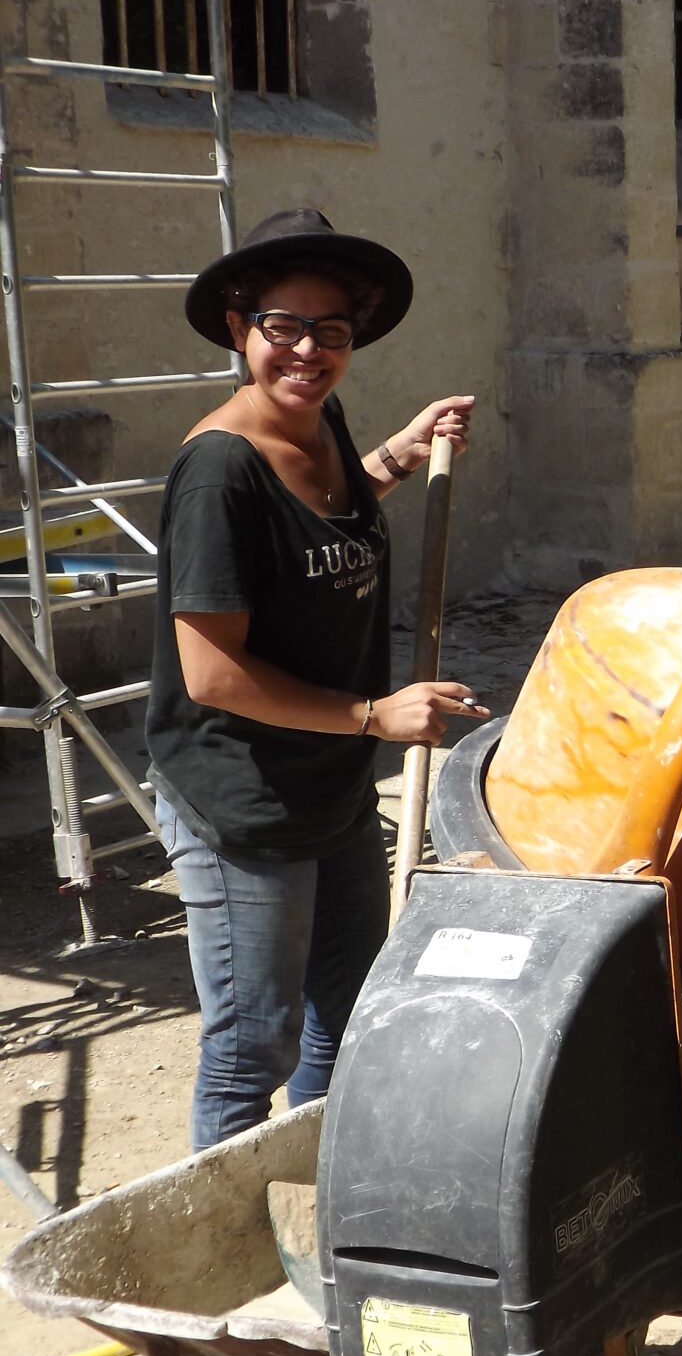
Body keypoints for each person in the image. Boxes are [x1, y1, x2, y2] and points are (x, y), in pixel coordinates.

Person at [147, 208, 490, 1150]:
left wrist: (394, 456)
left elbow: (314, 539)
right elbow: (211, 674)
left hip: (330, 774)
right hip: (244, 797)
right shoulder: (219, 472)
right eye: (282, 328)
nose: (307, 351)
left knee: (348, 1003)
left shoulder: (322, 421)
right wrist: (376, 713)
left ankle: (321, 1197)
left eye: (330, 332)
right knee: (255, 1038)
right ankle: (216, 1241)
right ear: (236, 326)